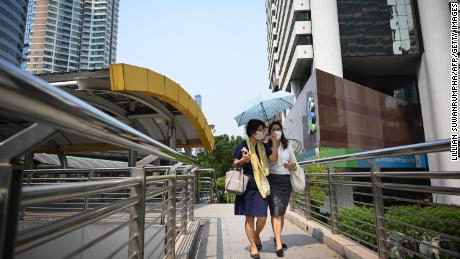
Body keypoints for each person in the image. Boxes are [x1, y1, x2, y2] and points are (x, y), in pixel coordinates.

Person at [233, 119, 279, 259]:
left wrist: (275, 143)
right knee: (250, 217)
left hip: (262, 185)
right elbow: (234, 162)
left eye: (263, 129)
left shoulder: (264, 146)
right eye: (260, 129)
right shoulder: (242, 145)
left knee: (263, 217)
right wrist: (242, 160)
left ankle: (256, 235)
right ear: (252, 131)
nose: (263, 131)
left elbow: (274, 159)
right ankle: (253, 246)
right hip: (247, 185)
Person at [267, 121, 297, 257]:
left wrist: (290, 165)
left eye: (278, 129)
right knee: (276, 211)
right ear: (269, 132)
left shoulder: (288, 145)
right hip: (273, 180)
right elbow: (270, 162)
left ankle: (276, 236)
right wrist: (274, 144)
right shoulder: (266, 146)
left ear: (282, 130)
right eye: (273, 130)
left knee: (281, 212)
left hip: (286, 181)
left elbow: (294, 162)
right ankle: (278, 242)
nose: (275, 131)